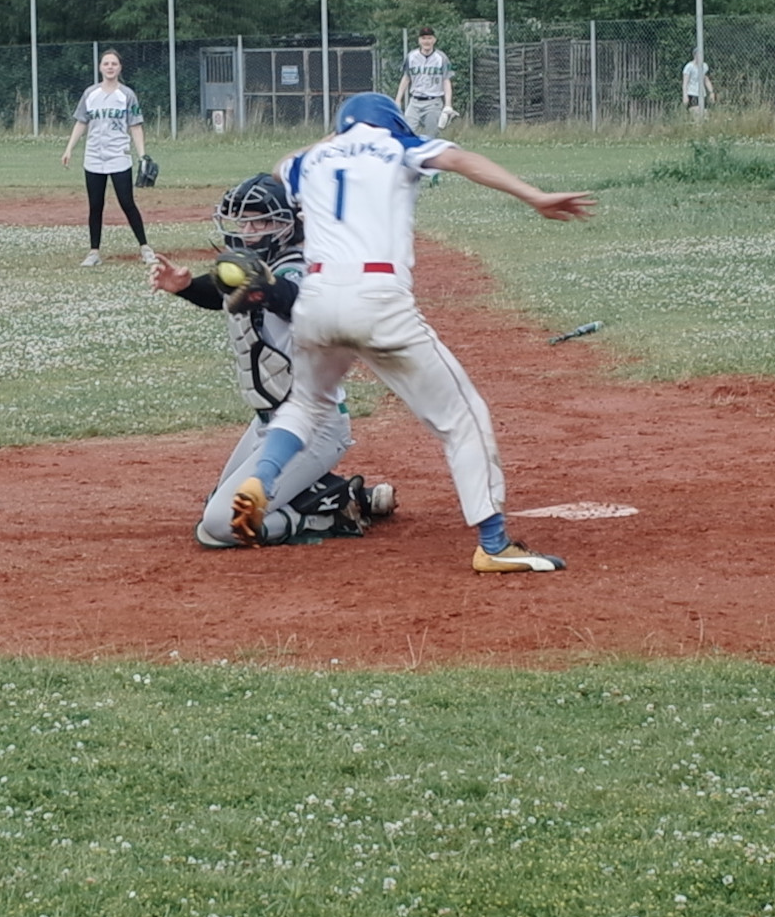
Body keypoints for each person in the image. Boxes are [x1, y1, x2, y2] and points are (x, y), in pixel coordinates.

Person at [229, 93, 595, 573]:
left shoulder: (310, 158)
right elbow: (461, 159)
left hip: (316, 298)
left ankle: (261, 479)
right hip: (377, 296)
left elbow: (280, 168)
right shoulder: (397, 147)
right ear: (392, 124)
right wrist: (535, 196)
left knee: (306, 404)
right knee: (461, 417)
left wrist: (336, 137)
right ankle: (495, 543)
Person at [149, 172, 397, 547]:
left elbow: (294, 298)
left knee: (222, 526)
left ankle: (326, 512)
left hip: (313, 427)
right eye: (243, 220)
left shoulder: (299, 266)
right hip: (269, 423)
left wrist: (266, 289)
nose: (248, 229)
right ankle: (345, 494)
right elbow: (227, 295)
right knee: (215, 507)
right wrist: (185, 288)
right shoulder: (260, 269)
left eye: (259, 220)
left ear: (286, 225)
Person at [60, 48, 155, 266]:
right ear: (100, 67)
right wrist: (69, 149)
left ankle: (145, 248)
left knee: (127, 202)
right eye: (106, 63)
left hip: (119, 156)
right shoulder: (90, 94)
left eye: (114, 64)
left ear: (120, 68)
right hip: (93, 156)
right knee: (95, 205)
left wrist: (142, 156)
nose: (110, 67)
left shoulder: (127, 95)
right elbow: (81, 122)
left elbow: (136, 126)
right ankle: (94, 252)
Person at [394, 26, 455, 136]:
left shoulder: (441, 58)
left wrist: (448, 104)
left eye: (429, 38)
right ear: (419, 40)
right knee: (406, 132)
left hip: (433, 102)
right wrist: (398, 100)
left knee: (431, 136)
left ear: (434, 40)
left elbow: (446, 81)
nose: (426, 41)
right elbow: (406, 78)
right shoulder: (411, 56)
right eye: (423, 38)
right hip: (414, 102)